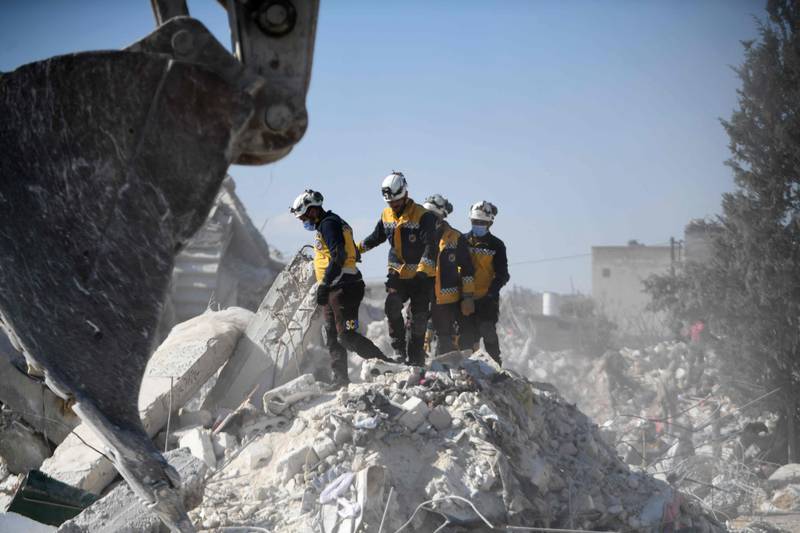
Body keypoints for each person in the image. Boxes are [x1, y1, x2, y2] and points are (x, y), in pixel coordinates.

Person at [290, 189, 388, 388]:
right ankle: (340, 378)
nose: (303, 222)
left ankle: (385, 365)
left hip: (343, 287)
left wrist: (325, 283)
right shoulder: (331, 223)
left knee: (346, 335)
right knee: (332, 334)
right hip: (335, 287)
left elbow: (339, 255)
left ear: (313, 211)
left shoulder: (329, 224)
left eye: (303, 217)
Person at [357, 172, 437, 366]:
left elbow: (431, 245)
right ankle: (399, 352)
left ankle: (416, 356)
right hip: (398, 274)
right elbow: (376, 236)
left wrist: (422, 270)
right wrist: (356, 250)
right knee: (392, 307)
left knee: (418, 318)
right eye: (390, 203)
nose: (394, 206)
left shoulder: (423, 216)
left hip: (422, 276)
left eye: (397, 202)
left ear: (405, 194)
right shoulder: (386, 215)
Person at [422, 194, 476, 355]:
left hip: (446, 300)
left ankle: (443, 374)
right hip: (420, 295)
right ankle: (415, 371)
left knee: (444, 340)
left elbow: (467, 269)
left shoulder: (455, 238)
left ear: (441, 217)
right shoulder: (416, 236)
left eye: (432, 216)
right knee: (417, 335)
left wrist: (467, 297)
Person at [459, 201, 509, 365]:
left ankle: (495, 366)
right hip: (465, 299)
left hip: (486, 299)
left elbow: (502, 274)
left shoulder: (497, 245)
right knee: (466, 338)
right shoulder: (462, 242)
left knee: (487, 331)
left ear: (490, 223)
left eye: (482, 222)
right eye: (475, 222)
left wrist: (491, 292)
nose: (478, 225)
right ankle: (465, 370)